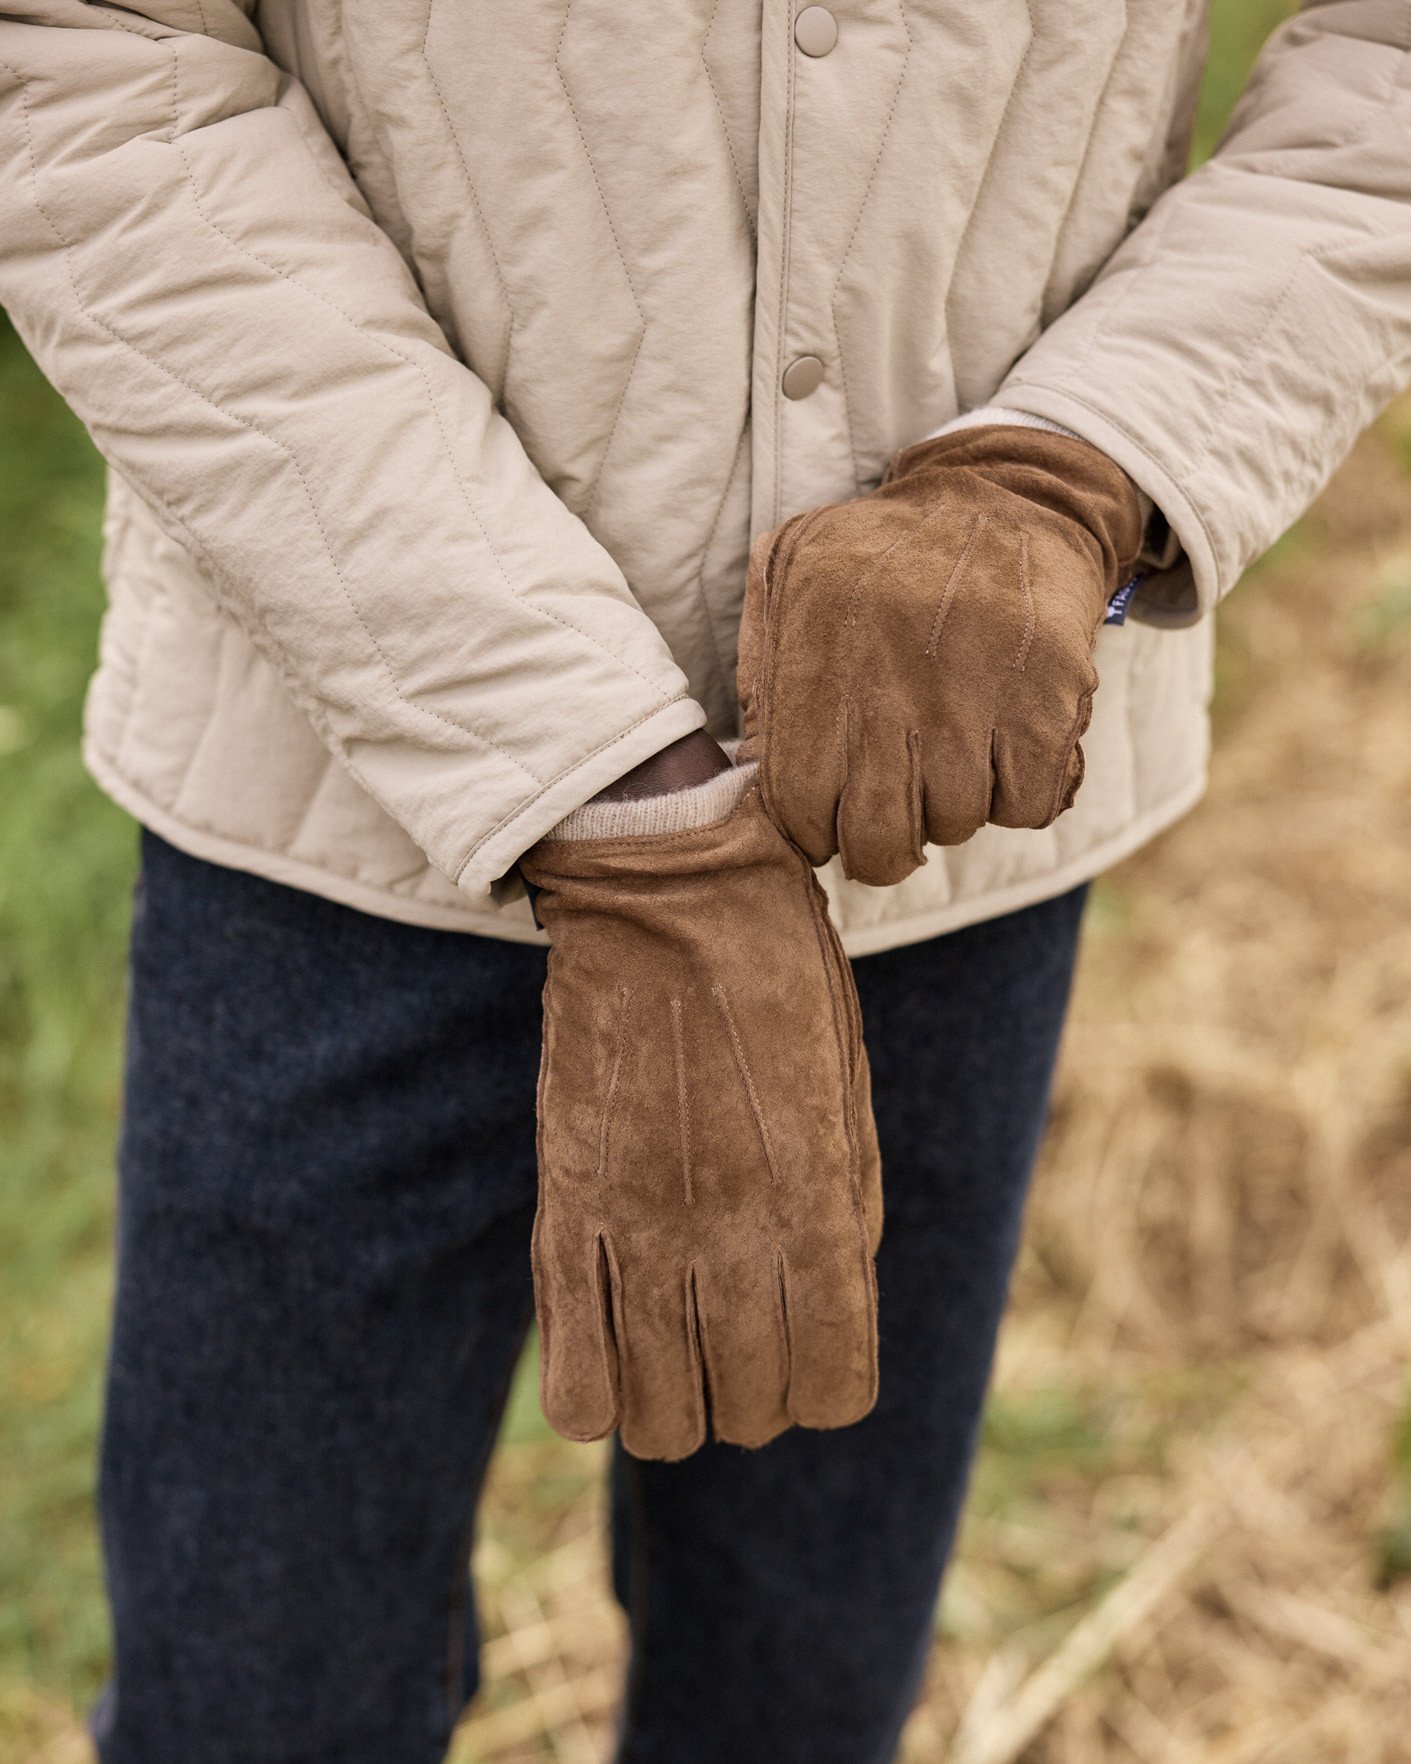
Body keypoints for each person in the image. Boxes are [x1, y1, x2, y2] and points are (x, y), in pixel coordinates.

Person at [2, 4, 1408, 1760]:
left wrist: (1083, 463)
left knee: (801, 1696)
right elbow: (94, 61)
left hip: (930, 808)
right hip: (331, 795)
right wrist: (593, 781)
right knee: (255, 1703)